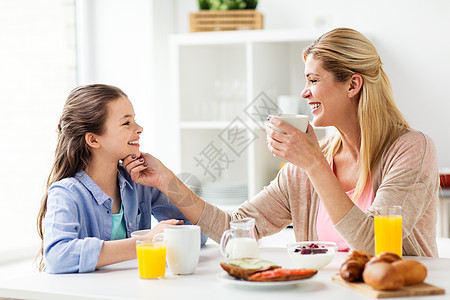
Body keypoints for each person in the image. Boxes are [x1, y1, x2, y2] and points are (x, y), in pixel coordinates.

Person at [123, 28, 439, 257]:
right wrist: (167, 181)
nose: (304, 93)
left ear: (353, 84)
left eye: (313, 81)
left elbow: (376, 243)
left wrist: (314, 164)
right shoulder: (304, 168)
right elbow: (233, 228)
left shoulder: (411, 149)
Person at [37, 84, 206, 274]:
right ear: (93, 140)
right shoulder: (67, 193)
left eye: (135, 120)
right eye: (127, 123)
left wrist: (166, 179)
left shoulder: (140, 184)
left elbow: (201, 232)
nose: (139, 128)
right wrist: (146, 241)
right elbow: (58, 257)